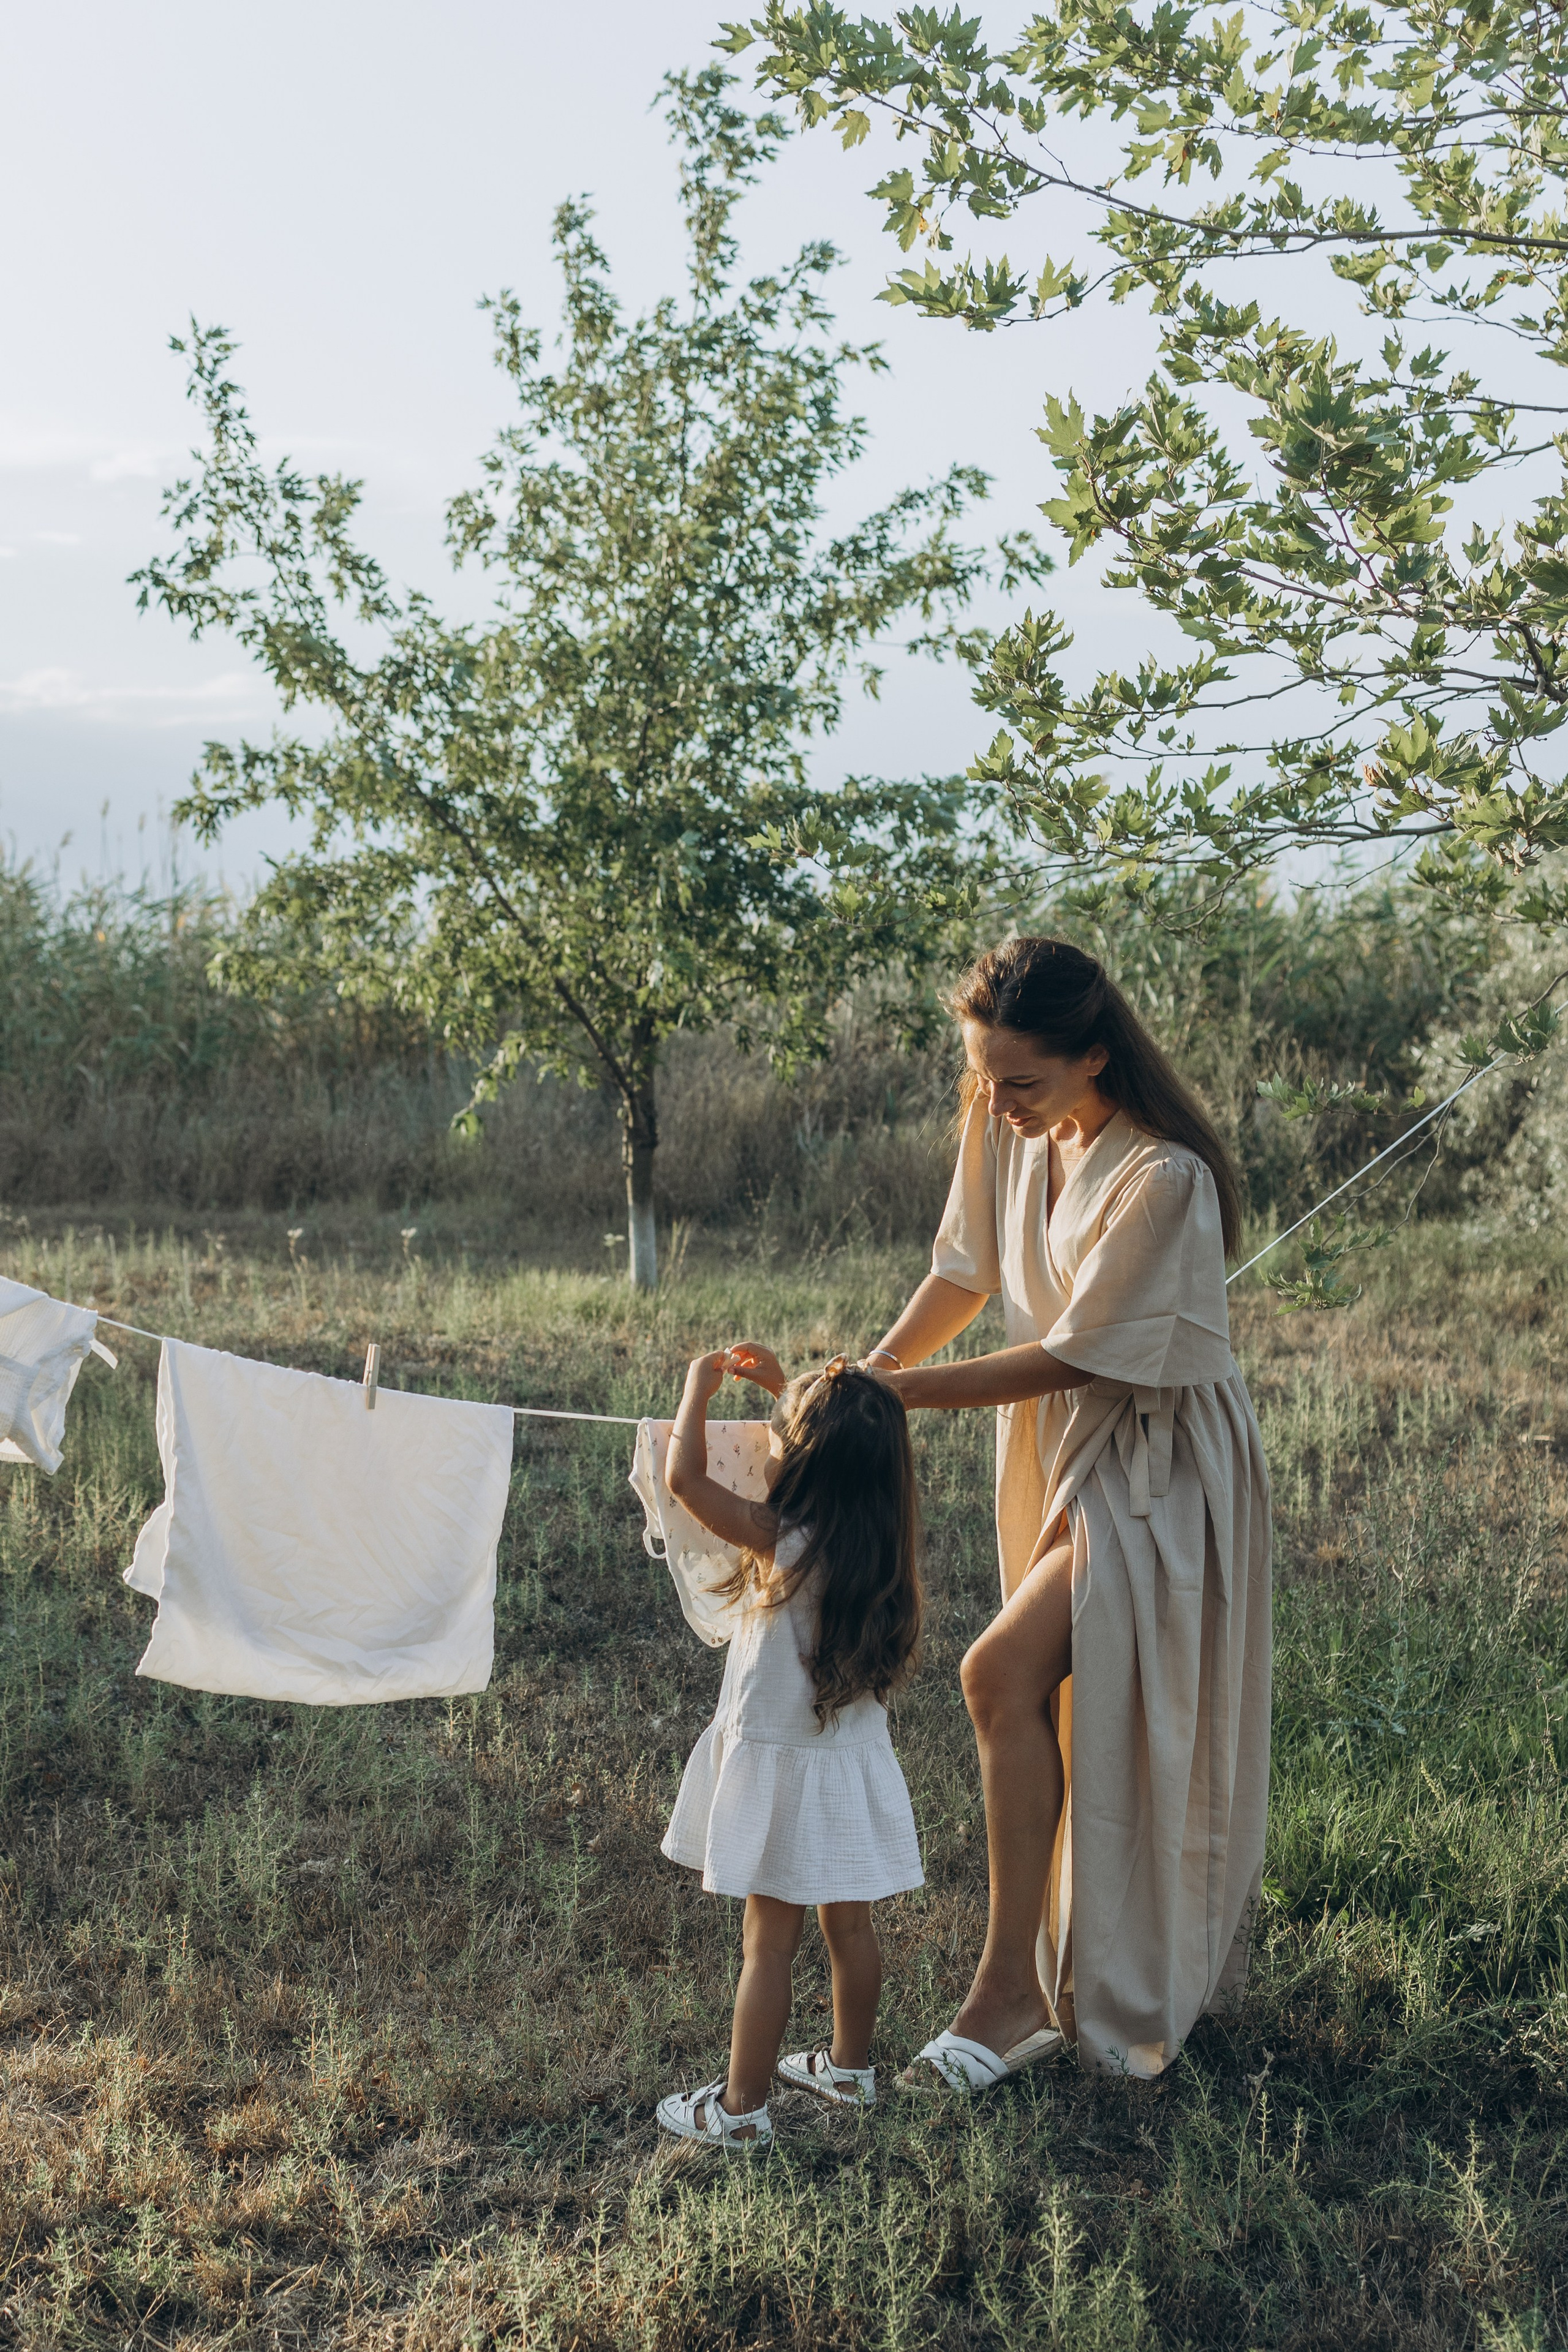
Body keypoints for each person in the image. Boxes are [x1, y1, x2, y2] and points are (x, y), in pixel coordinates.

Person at [864, 935, 1272, 2086]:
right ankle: (1033, 1979)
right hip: (1067, 1453)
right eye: (984, 1077)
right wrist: (875, 1368)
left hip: (1156, 1463)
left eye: (1022, 1083)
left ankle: (1009, 1999)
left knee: (999, 1673)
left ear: (1096, 1056)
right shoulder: (1010, 1120)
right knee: (1037, 1693)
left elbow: (1079, 1358)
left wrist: (896, 1395)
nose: (996, 1105)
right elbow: (965, 1272)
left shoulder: (1165, 1178)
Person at [654, 1348, 925, 2151]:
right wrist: (788, 1396)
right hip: (847, 1773)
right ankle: (849, 2068)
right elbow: (826, 1456)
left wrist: (695, 1392)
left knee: (768, 1945)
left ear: (809, 1462)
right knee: (850, 1931)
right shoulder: (880, 1550)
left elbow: (686, 1484)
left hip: (783, 1777)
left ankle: (740, 2109)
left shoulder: (783, 1542)